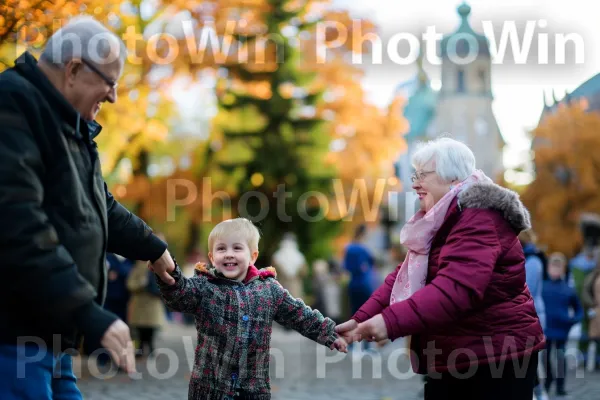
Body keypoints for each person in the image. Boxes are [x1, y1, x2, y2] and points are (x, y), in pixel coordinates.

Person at [0, 16, 176, 399]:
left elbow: (98, 207)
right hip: (15, 339)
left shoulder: (71, 124)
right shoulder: (12, 103)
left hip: (55, 334)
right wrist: (88, 312)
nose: (113, 97)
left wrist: (152, 247)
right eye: (110, 82)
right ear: (74, 69)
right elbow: (17, 226)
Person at [336, 137, 545, 400]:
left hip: (495, 358)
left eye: (422, 175)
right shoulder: (443, 218)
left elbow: (455, 290)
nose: (414, 183)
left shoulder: (479, 218)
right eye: (414, 174)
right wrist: (361, 318)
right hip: (459, 354)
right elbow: (404, 276)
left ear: (452, 178)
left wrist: (388, 322)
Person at [156, 218, 347, 399]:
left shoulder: (268, 289)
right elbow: (180, 295)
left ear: (253, 256)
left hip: (253, 389)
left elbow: (299, 315)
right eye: (221, 249)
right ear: (212, 258)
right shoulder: (204, 286)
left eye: (237, 248)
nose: (229, 253)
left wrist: (329, 333)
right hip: (210, 388)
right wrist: (169, 273)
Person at [542, 252, 583, 396]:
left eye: (558, 267)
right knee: (545, 357)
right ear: (548, 268)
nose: (555, 270)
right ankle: (548, 381)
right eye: (553, 267)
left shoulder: (568, 290)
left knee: (560, 358)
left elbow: (579, 309)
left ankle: (560, 385)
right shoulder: (542, 287)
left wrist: (571, 321)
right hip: (545, 330)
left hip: (561, 331)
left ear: (563, 269)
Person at [518, 230, 548, 400]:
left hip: (531, 313)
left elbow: (526, 288)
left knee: (532, 357)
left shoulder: (532, 261)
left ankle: (539, 391)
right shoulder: (533, 259)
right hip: (531, 312)